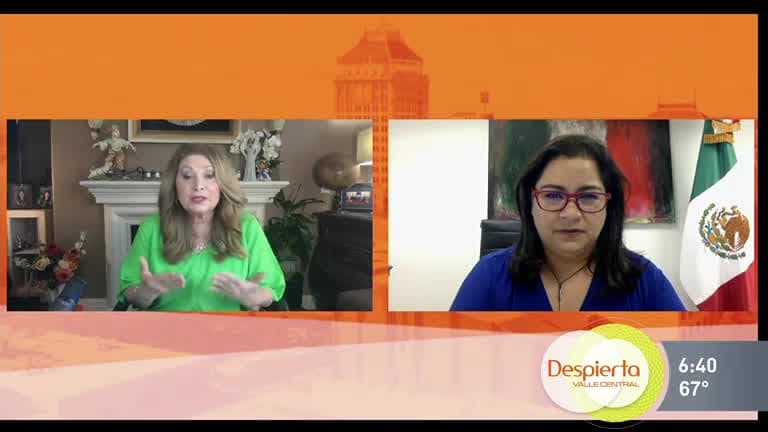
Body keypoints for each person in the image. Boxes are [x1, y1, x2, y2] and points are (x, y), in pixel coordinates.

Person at [450, 134, 686, 312]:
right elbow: (449, 357)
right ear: (530, 204)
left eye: (589, 196)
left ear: (609, 206)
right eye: (553, 195)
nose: (571, 213)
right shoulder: (490, 276)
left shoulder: (645, 280)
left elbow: (687, 356)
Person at [118, 143, 286, 311]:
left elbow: (271, 289)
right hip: (165, 326)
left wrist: (252, 296)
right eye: (187, 176)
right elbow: (130, 292)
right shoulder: (151, 228)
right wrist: (147, 291)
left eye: (209, 175)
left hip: (228, 326)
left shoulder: (247, 226)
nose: (198, 186)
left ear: (222, 184)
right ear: (174, 184)